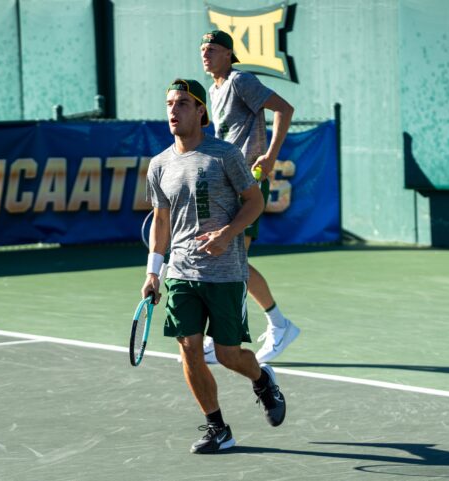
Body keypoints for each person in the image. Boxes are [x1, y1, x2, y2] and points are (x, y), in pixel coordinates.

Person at [142, 78, 286, 454]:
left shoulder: (225, 155)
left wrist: (228, 232)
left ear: (201, 110)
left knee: (227, 355)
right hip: (180, 272)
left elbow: (253, 203)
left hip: (225, 274)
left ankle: (262, 379)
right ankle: (217, 427)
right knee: (188, 348)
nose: (173, 111)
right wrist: (153, 271)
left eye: (183, 104)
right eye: (169, 104)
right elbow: (161, 221)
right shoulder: (159, 165)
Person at [199, 30, 300, 364]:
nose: (205, 54)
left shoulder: (241, 80)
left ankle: (271, 326)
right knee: (232, 262)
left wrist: (270, 155)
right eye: (202, 49)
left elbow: (284, 108)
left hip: (249, 184)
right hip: (227, 183)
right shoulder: (214, 90)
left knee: (234, 262)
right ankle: (269, 327)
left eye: (212, 49)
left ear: (228, 54)